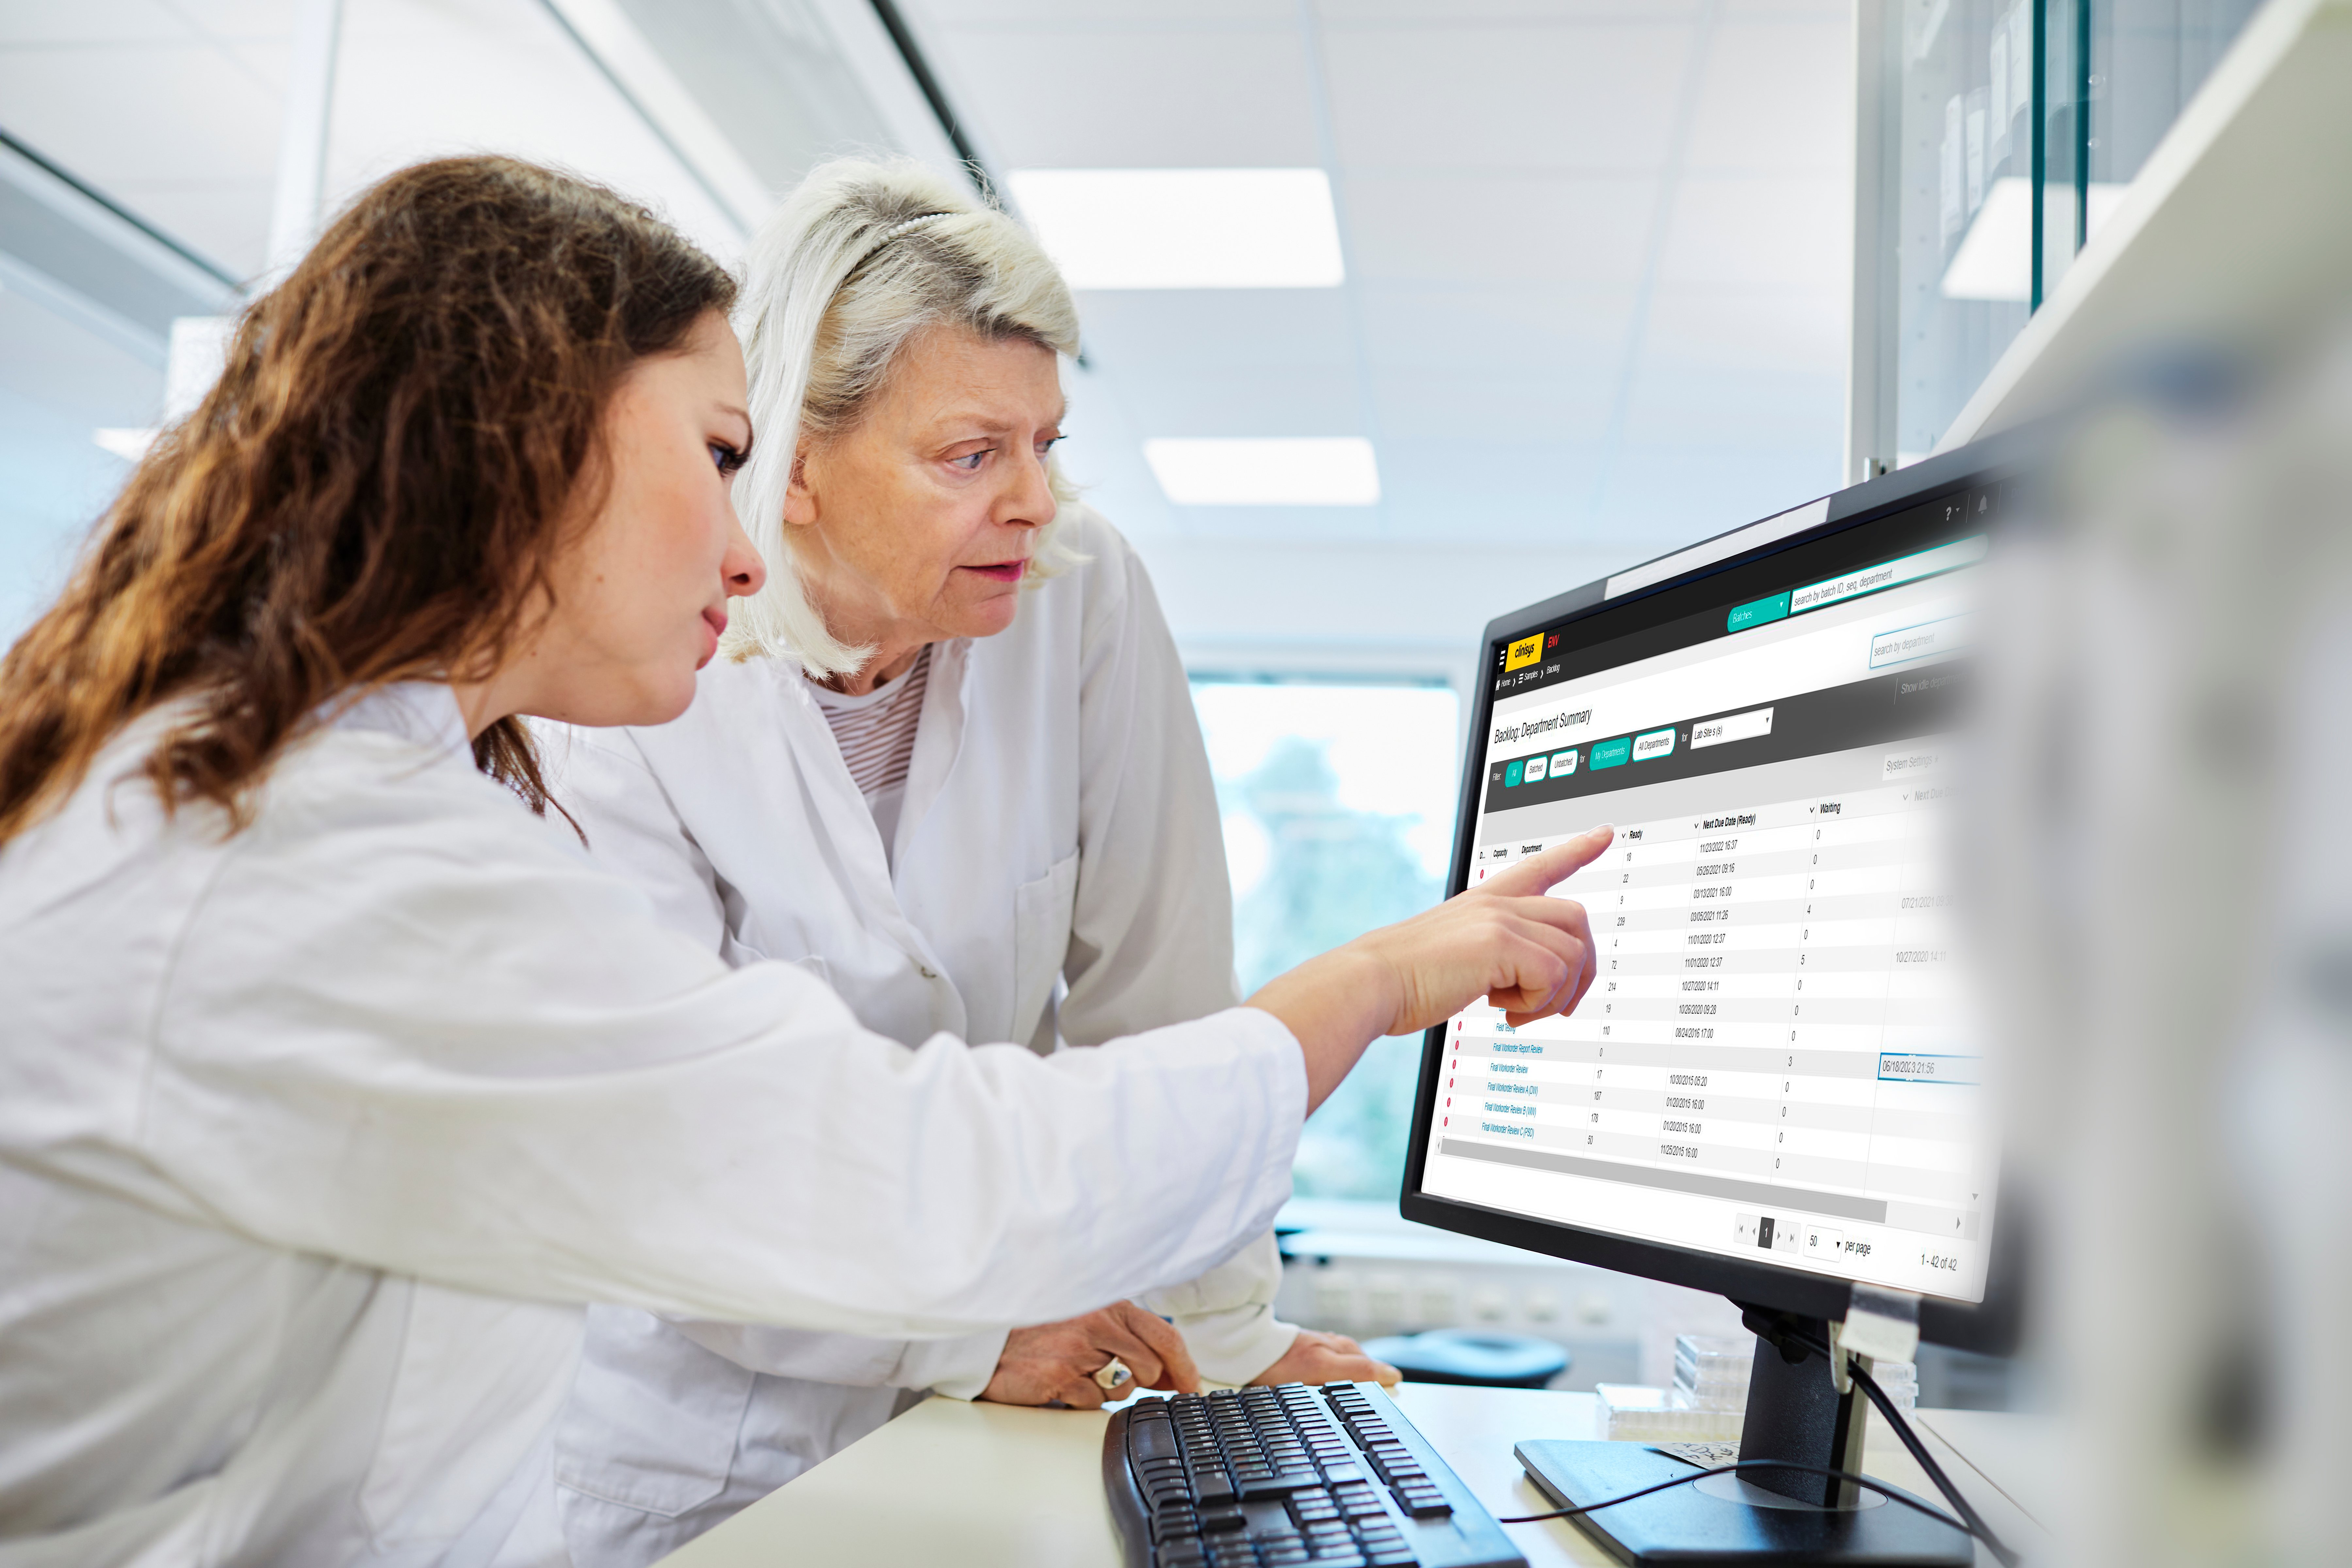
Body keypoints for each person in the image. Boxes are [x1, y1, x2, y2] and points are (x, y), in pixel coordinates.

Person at [0, 156, 1608, 1567]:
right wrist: (1378, 979)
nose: (748, 538)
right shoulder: (330, 865)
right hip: (668, 1449)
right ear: (532, 445)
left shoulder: (299, 788)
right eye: (716, 455)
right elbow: (888, 1172)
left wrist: (1220, 1335)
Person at [533, 158, 1384, 1563]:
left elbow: (1164, 1009)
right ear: (793, 460)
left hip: (995, 1425)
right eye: (970, 456)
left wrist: (1227, 1344)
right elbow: (656, 1153)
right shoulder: (630, 670)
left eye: (1046, 442)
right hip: (681, 1458)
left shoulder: (1080, 596)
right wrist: (957, 1330)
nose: (1037, 503)